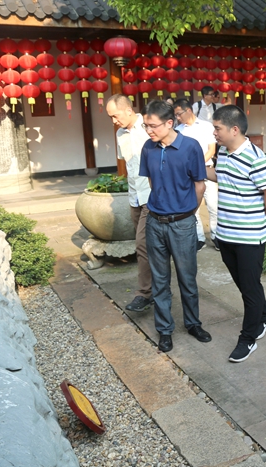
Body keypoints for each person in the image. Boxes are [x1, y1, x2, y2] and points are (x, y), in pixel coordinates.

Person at [205, 105, 266, 363]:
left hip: (249, 237)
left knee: (249, 288)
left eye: (217, 128)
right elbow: (221, 176)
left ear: (234, 129)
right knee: (246, 285)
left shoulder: (256, 158)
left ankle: (248, 338)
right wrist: (195, 169)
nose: (214, 133)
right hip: (226, 234)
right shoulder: (223, 152)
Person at [138, 100, 211, 353]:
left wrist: (187, 212)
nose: (149, 130)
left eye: (153, 125)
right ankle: (165, 330)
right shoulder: (148, 147)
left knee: (187, 278)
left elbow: (200, 185)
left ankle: (193, 324)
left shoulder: (190, 147)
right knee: (159, 280)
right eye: (146, 126)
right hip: (155, 223)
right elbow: (152, 180)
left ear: (170, 123)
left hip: (182, 224)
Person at [105, 94, 153, 313]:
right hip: (135, 196)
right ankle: (159, 287)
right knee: (148, 246)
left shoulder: (149, 127)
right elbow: (128, 166)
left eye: (115, 116)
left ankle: (145, 293)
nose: (114, 121)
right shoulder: (120, 134)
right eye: (110, 117)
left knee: (142, 245)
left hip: (152, 196)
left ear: (128, 110)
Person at [174, 98, 220, 251]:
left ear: (188, 110)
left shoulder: (206, 126)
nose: (177, 118)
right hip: (188, 175)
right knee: (194, 207)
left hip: (207, 171)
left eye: (179, 114)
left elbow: (211, 150)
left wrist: (196, 166)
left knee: (213, 206)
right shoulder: (178, 131)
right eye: (176, 115)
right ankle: (199, 238)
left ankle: (216, 236)